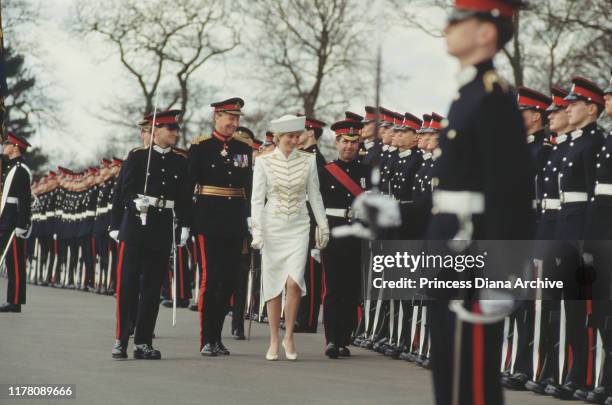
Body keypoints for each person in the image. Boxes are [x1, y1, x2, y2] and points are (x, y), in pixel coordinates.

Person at [427, 1, 532, 404]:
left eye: (457, 20)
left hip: (471, 255)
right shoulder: (467, 94)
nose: (448, 27)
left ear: (486, 32)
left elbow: (511, 192)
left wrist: (503, 275)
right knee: (450, 375)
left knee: (469, 382)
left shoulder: (491, 97)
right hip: (450, 248)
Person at [111, 109, 192, 360]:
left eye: (176, 129)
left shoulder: (180, 160)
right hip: (136, 225)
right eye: (170, 129)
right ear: (156, 131)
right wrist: (134, 202)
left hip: (162, 225)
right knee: (128, 284)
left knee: (152, 287)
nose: (174, 133)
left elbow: (184, 198)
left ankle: (144, 341)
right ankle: (121, 339)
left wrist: (185, 226)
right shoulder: (137, 157)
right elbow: (124, 190)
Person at [251, 114, 329, 361]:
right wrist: (257, 230)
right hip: (272, 224)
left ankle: (289, 335)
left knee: (294, 282)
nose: (294, 140)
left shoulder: (308, 161)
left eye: (298, 136)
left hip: (298, 225)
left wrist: (323, 224)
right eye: (290, 136)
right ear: (278, 137)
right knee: (273, 283)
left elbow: (314, 195)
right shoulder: (264, 162)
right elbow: (257, 199)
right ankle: (274, 338)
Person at [188, 98, 252, 357]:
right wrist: (188, 221)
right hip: (209, 220)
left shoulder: (244, 149)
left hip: (235, 220)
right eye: (229, 118)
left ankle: (218, 337)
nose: (233, 123)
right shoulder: (200, 147)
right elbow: (188, 186)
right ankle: (206, 337)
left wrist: (250, 219)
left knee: (228, 282)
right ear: (216, 117)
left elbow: (248, 187)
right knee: (210, 279)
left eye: (237, 119)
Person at [320, 119, 371, 359]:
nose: (349, 147)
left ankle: (344, 338)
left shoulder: (367, 172)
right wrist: (316, 237)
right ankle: (331, 339)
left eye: (353, 142)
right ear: (336, 143)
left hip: (358, 234)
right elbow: (315, 205)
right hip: (333, 233)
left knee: (352, 289)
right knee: (333, 288)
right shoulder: (325, 171)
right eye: (344, 142)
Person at [0, 133, 33, 313]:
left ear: (16, 148)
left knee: (15, 262)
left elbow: (24, 200)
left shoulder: (20, 170)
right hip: (6, 220)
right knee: (10, 263)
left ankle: (15, 301)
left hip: (14, 222)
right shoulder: (10, 167)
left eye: (8, 144)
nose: (5, 146)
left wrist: (22, 224)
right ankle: (12, 299)